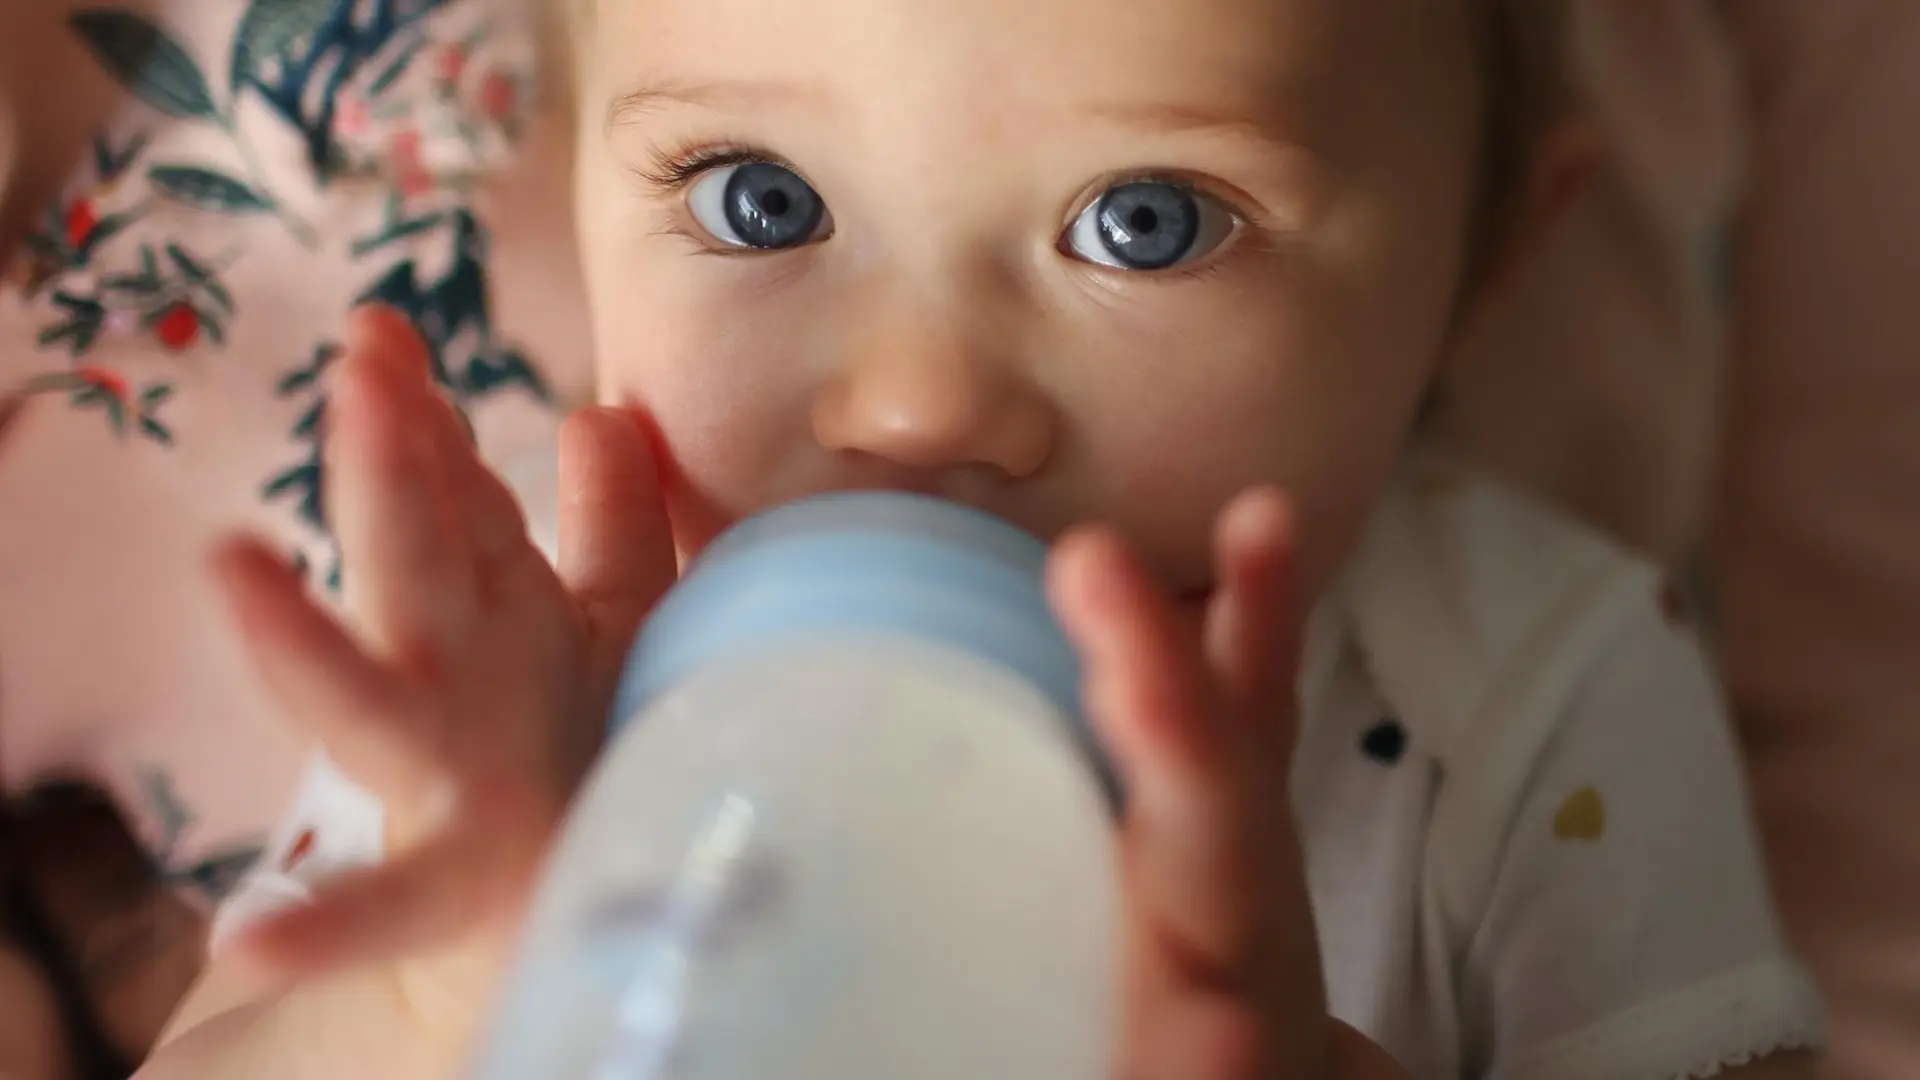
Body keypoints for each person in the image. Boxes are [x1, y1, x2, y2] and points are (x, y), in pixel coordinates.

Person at [140, 1, 1824, 1077]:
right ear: (572, 192)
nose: (917, 402)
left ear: (1481, 265)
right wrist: (429, 1014)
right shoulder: (516, 679)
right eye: (756, 200)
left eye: (1145, 225)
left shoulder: (1535, 686)